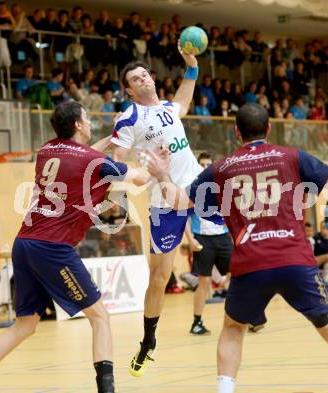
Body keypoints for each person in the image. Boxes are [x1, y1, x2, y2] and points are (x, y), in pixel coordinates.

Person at [145, 103, 328, 393]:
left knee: (234, 330)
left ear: (236, 132)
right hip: (294, 259)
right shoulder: (292, 157)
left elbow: (177, 201)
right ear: (269, 128)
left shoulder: (220, 168)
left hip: (250, 263)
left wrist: (161, 173)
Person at [0, 101, 151, 393]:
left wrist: (114, 138)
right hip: (52, 247)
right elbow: (139, 177)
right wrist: (156, 161)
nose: (89, 123)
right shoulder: (92, 161)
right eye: (86, 118)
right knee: (100, 317)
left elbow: (85, 156)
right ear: (77, 125)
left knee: (26, 324)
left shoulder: (47, 150)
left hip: (24, 243)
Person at [110, 45, 201, 377]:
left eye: (145, 73)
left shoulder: (168, 108)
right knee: (160, 276)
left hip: (199, 187)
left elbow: (186, 95)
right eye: (136, 78)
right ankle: (148, 341)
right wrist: (142, 172)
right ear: (130, 90)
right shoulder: (129, 118)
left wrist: (191, 66)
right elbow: (115, 162)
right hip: (164, 199)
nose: (143, 78)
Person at [185, 152, 232, 335]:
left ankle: (244, 316)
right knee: (203, 282)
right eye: (202, 164)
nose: (206, 167)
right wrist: (190, 239)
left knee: (237, 276)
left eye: (208, 164)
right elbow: (184, 218)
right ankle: (196, 322)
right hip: (202, 238)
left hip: (223, 237)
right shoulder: (193, 189)